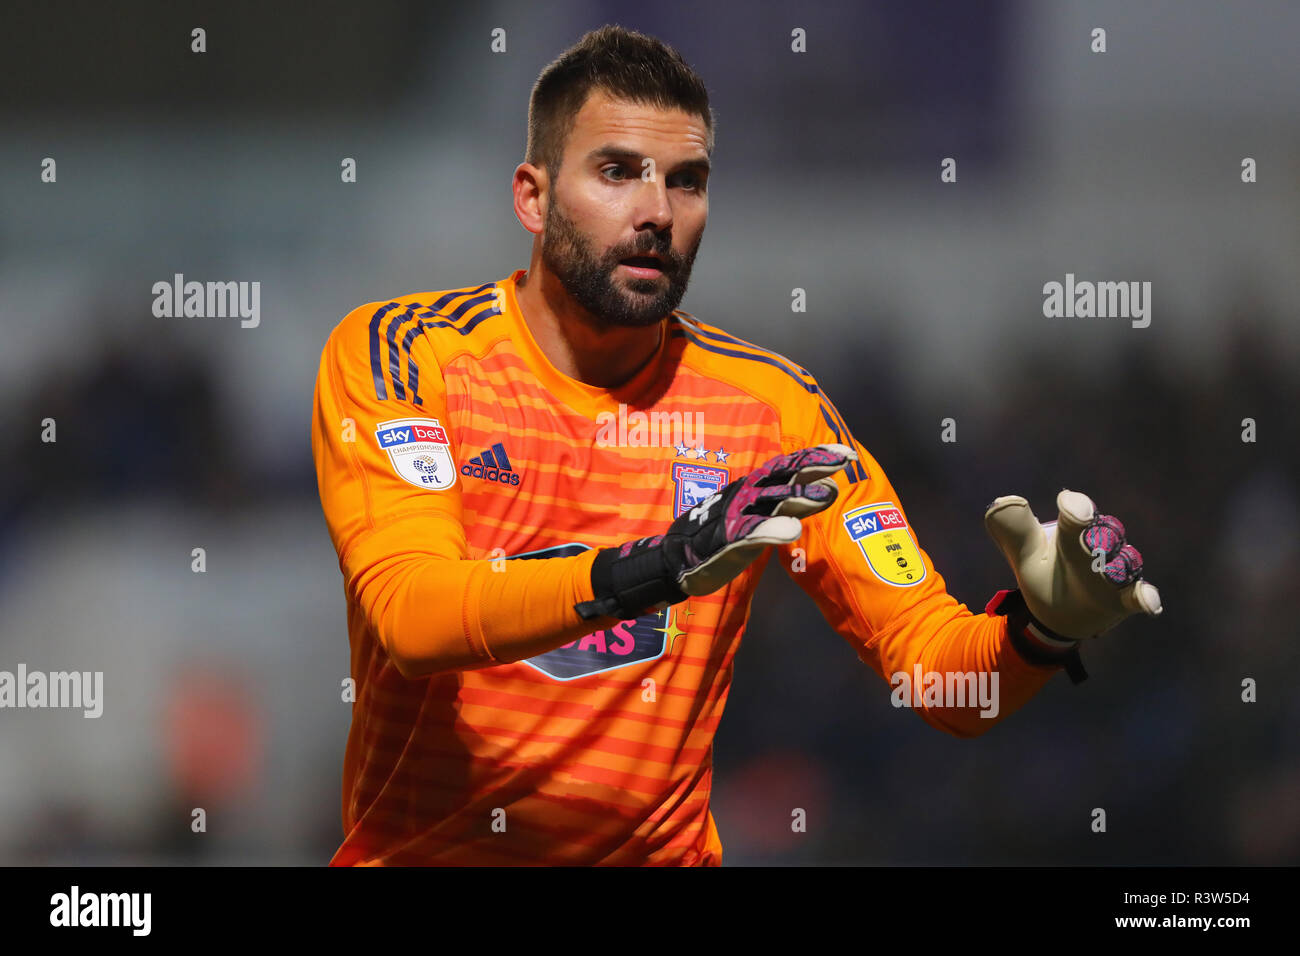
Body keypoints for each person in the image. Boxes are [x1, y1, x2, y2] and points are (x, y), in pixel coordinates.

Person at [310, 24, 1160, 866]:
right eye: (617, 172)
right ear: (532, 197)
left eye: (688, 182)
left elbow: (939, 679)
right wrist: (661, 565)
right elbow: (413, 619)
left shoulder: (774, 410)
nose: (656, 212)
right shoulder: (405, 354)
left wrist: (1041, 636)